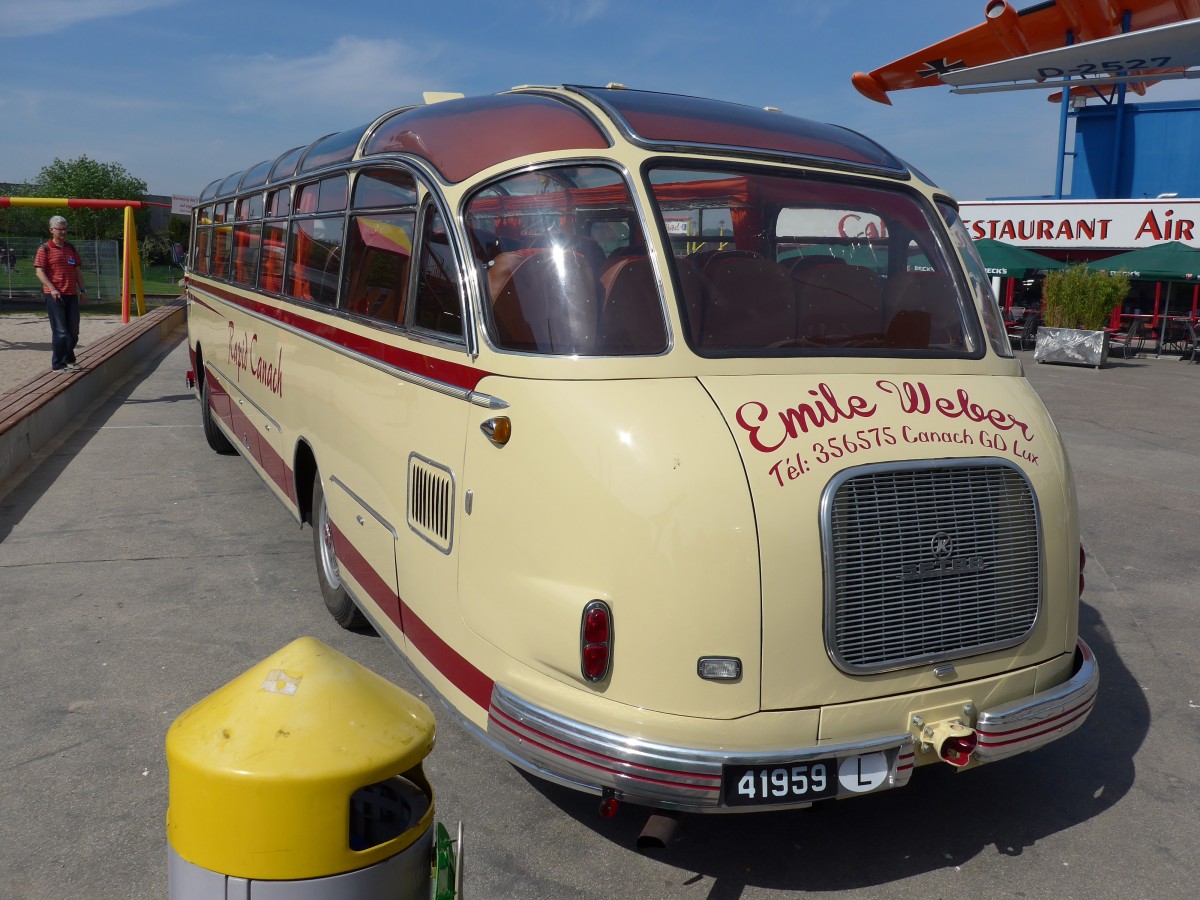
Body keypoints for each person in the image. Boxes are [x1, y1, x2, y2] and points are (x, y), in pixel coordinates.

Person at [34, 215, 88, 372]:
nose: (63, 232)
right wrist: (52, 288)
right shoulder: (44, 249)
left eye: (65, 229)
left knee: (74, 332)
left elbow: (77, 271)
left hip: (71, 294)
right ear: (52, 230)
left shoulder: (70, 248)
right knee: (61, 332)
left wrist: (83, 290)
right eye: (60, 229)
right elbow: (40, 272)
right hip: (54, 296)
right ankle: (58, 364)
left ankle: (70, 359)